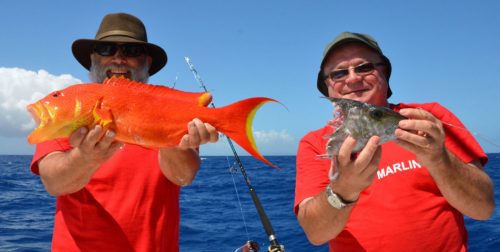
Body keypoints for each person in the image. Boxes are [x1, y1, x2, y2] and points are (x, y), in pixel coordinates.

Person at [30, 13, 219, 251]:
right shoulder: (72, 109)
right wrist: (85, 157)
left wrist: (168, 137)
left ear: (147, 62)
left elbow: (182, 176)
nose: (118, 58)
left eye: (131, 50)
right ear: (93, 58)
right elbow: (53, 183)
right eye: (106, 48)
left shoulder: (171, 109)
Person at [294, 32, 495, 251]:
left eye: (364, 67)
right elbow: (315, 233)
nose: (352, 78)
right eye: (339, 73)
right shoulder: (315, 143)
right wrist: (343, 191)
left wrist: (439, 160)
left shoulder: (428, 119)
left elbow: (483, 209)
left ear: (384, 73)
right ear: (328, 86)